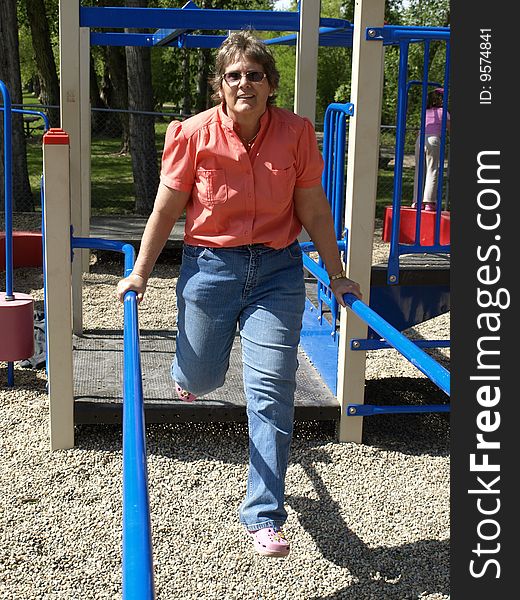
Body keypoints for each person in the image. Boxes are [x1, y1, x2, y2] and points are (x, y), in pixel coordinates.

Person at [117, 30, 362, 558]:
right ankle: (189, 377)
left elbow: (314, 209)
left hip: (277, 270)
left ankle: (264, 516)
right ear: (220, 86)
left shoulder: (296, 133)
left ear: (271, 84)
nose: (244, 83)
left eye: (255, 74)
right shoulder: (194, 134)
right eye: (234, 75)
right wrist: (140, 272)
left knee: (272, 389)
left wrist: (337, 273)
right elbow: (166, 209)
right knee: (203, 376)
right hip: (211, 268)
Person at [412, 87, 450, 211]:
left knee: (419, 170)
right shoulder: (443, 112)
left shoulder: (426, 112)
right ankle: (429, 201)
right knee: (432, 169)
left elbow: (421, 128)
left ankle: (417, 201)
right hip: (433, 139)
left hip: (421, 139)